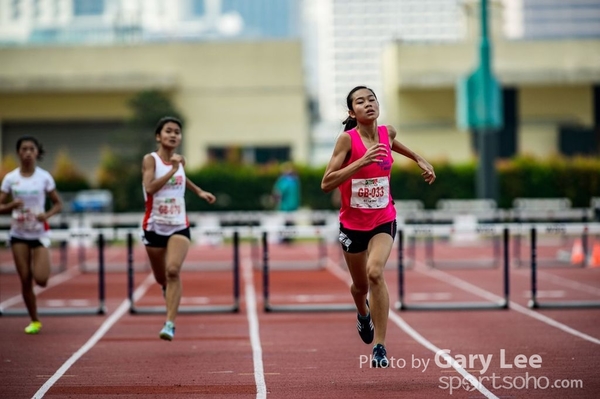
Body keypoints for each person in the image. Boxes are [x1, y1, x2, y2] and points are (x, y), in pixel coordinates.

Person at [321, 86, 436, 367]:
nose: (368, 104)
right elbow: (326, 183)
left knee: (375, 273)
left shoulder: (388, 132)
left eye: (372, 99)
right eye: (360, 102)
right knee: (360, 287)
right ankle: (363, 313)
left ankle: (380, 346)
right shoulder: (347, 142)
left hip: (383, 219)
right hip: (352, 225)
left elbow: (393, 143)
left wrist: (419, 158)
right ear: (352, 112)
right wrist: (360, 162)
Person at [141, 116, 216, 341]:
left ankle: (170, 323)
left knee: (173, 270)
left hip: (179, 225)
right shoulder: (151, 160)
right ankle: (166, 288)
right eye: (168, 131)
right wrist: (173, 170)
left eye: (177, 132)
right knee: (161, 278)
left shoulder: (178, 163)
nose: (173, 135)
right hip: (154, 226)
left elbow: (183, 179)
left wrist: (199, 191)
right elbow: (150, 188)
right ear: (158, 136)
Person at [0, 136, 63, 334]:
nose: (27, 152)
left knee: (41, 279)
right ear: (18, 153)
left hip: (39, 232)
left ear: (37, 153)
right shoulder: (10, 178)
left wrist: (47, 214)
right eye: (24, 149)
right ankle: (34, 320)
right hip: (18, 233)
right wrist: (11, 206)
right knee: (25, 278)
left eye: (31, 149)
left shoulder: (44, 177)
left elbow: (58, 204)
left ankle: (41, 270)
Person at [272, 162, 301, 243]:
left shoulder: (283, 181)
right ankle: (288, 238)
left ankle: (285, 238)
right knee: (289, 223)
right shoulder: (295, 181)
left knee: (285, 223)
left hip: (285, 206)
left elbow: (277, 193)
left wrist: (275, 202)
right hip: (291, 205)